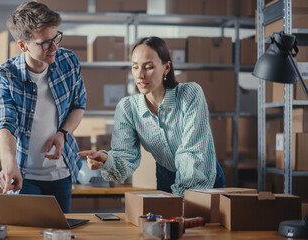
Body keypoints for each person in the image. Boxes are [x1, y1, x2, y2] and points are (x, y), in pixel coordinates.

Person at [78, 37, 225, 197]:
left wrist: (181, 198)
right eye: (135, 67)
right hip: (165, 178)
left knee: (198, 222)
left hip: (202, 176)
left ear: (166, 67)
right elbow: (126, 155)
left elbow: (191, 152)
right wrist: (106, 160)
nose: (140, 75)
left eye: (148, 67)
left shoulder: (189, 94)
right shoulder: (127, 108)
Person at [0, 2, 86, 213]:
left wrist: (62, 134)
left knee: (61, 232)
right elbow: (5, 124)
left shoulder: (68, 61)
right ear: (23, 45)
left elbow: (79, 105)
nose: (54, 48)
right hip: (25, 175)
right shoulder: (5, 76)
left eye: (56, 38)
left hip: (63, 171)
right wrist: (8, 162)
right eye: (44, 43)